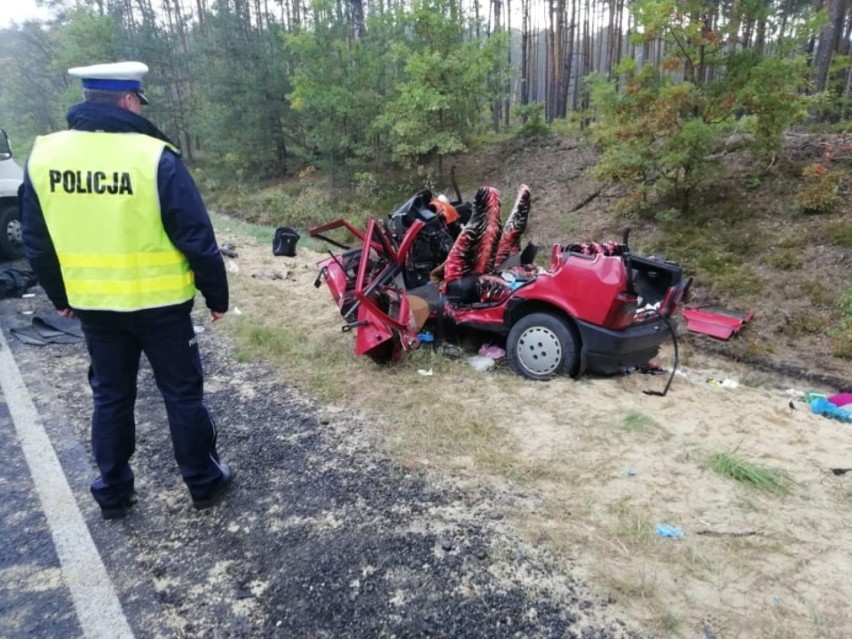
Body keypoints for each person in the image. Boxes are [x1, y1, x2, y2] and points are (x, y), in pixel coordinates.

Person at [20, 61, 234, 519]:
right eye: (138, 99)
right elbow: (196, 237)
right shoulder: (154, 156)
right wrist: (217, 297)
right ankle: (203, 483)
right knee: (181, 395)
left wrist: (61, 296)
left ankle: (113, 492)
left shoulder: (45, 156)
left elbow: (36, 242)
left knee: (111, 398)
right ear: (128, 100)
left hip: (95, 307)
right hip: (162, 306)